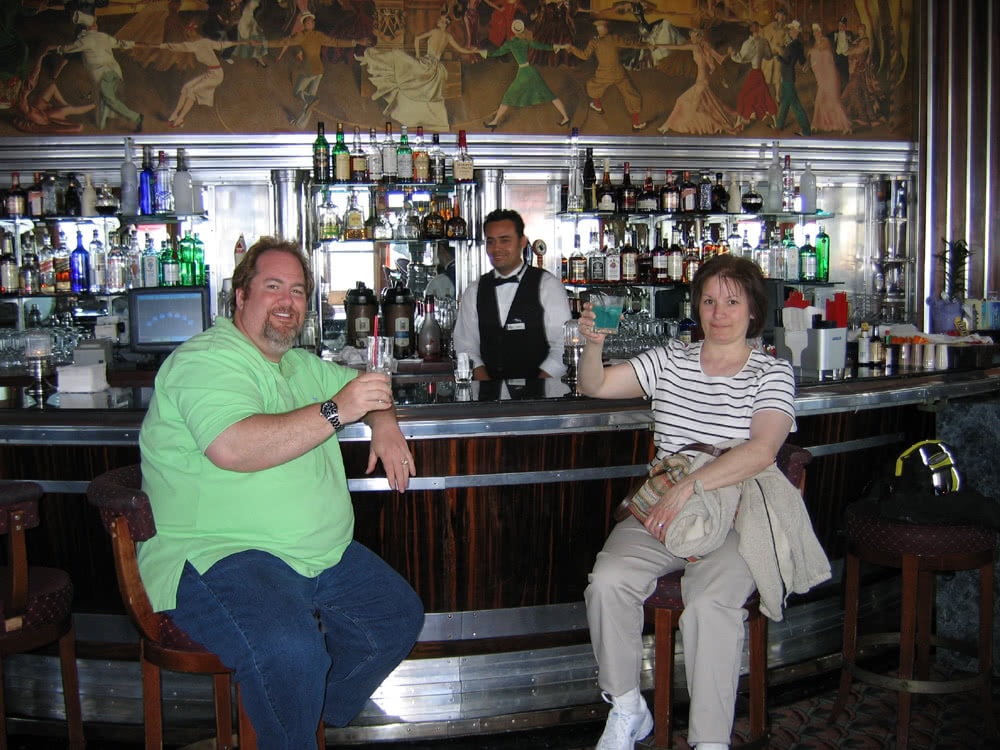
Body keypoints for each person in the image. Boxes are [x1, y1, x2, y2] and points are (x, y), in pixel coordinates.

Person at [138, 237, 425, 747]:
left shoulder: (296, 364)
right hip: (218, 553)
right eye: (273, 287)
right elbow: (232, 447)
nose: (287, 301)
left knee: (396, 616)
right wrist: (338, 409)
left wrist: (384, 423)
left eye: (297, 290)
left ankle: (314, 717)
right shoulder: (205, 361)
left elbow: (368, 385)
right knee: (293, 653)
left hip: (315, 555)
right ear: (240, 297)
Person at [578, 255, 799, 750]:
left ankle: (710, 741)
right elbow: (594, 385)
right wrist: (594, 346)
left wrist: (691, 486)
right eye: (709, 300)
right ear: (696, 307)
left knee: (709, 604)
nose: (719, 312)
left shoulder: (771, 372)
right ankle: (627, 707)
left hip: (735, 506)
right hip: (666, 505)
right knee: (608, 581)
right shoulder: (670, 358)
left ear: (753, 311)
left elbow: (762, 450)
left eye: (732, 301)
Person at [452, 209, 570, 381]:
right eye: (491, 242)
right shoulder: (474, 290)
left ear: (522, 241)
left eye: (505, 240)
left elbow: (563, 347)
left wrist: (537, 388)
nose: (496, 248)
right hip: (487, 399)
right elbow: (465, 347)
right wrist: (489, 390)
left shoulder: (548, 285)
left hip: (543, 397)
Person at [359, 13, 479, 132]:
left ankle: (372, 58)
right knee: (400, 60)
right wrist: (472, 51)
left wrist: (417, 55)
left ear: (444, 24)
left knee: (397, 55)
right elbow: (460, 49)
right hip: (436, 68)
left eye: (441, 21)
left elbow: (417, 39)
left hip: (426, 65)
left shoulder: (435, 32)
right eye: (440, 20)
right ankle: (371, 59)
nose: (439, 22)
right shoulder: (447, 36)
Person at [52, 11, 144, 132]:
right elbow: (120, 43)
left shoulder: (85, 40)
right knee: (104, 98)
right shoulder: (101, 37)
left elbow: (68, 49)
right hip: (113, 72)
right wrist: (135, 44)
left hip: (103, 75)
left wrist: (56, 48)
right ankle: (101, 122)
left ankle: (136, 117)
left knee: (110, 100)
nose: (97, 25)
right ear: (92, 27)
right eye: (95, 23)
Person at [481, 19, 571, 129]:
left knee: (508, 97)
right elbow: (543, 46)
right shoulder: (526, 41)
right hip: (531, 70)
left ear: (513, 31)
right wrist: (561, 46)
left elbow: (496, 53)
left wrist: (482, 52)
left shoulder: (510, 43)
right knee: (549, 95)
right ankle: (566, 117)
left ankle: (495, 122)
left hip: (524, 73)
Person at [655, 28, 745, 135]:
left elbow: (678, 47)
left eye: (694, 36)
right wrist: (729, 54)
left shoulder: (696, 47)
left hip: (701, 83)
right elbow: (720, 59)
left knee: (684, 102)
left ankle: (667, 126)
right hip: (703, 81)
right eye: (691, 36)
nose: (692, 38)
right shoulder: (706, 47)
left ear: (699, 37)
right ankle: (733, 118)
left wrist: (659, 45)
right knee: (712, 105)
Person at [565, 19, 649, 131]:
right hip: (619, 74)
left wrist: (572, 49)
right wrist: (646, 45)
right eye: (598, 28)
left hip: (604, 74)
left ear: (604, 29)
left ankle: (598, 106)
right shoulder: (613, 38)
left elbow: (584, 56)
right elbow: (631, 44)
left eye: (600, 28)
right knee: (631, 95)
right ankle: (636, 124)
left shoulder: (594, 42)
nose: (599, 30)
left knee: (592, 86)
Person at [729, 21, 776, 126]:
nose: (756, 28)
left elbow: (741, 58)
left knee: (743, 95)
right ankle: (773, 122)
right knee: (764, 96)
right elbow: (768, 56)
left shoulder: (753, 43)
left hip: (755, 73)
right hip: (758, 74)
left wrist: (732, 55)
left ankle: (738, 121)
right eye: (755, 27)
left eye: (756, 26)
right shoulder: (761, 42)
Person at [807, 23, 851, 134]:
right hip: (822, 78)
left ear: (821, 31)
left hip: (831, 76)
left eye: (818, 31)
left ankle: (846, 126)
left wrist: (811, 51)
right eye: (814, 31)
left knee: (834, 100)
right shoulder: (814, 45)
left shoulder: (825, 41)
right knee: (819, 100)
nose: (816, 33)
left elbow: (821, 49)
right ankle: (815, 125)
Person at [773, 19, 811, 136]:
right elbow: (801, 61)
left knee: (794, 104)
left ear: (795, 31)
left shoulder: (794, 45)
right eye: (789, 29)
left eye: (791, 29)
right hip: (787, 75)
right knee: (785, 102)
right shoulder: (796, 44)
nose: (789, 31)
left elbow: (788, 62)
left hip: (788, 76)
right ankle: (779, 125)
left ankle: (806, 130)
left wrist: (778, 56)